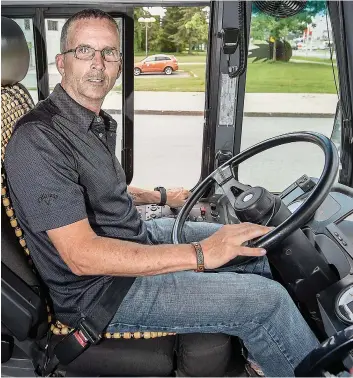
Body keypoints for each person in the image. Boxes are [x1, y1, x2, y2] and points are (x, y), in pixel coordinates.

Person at [4, 9, 319, 377]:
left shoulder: (90, 121)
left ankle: (267, 354)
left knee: (260, 248)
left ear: (120, 64)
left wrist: (160, 197)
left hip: (131, 238)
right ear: (62, 62)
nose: (98, 64)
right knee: (268, 304)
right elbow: (81, 257)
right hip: (101, 292)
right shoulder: (39, 139)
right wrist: (202, 254)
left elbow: (94, 191)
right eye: (85, 51)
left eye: (109, 53)